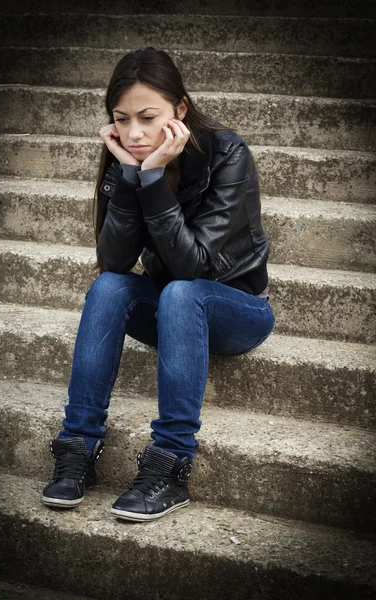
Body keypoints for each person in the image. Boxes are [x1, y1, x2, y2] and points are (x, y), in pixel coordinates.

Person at [42, 47, 275, 522]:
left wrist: (151, 181)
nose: (134, 133)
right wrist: (131, 175)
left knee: (181, 292)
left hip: (237, 310)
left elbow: (194, 268)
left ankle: (170, 465)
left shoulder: (227, 154)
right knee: (109, 287)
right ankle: (78, 447)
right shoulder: (127, 158)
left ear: (180, 110)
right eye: (121, 118)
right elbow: (114, 260)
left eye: (148, 117)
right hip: (172, 307)